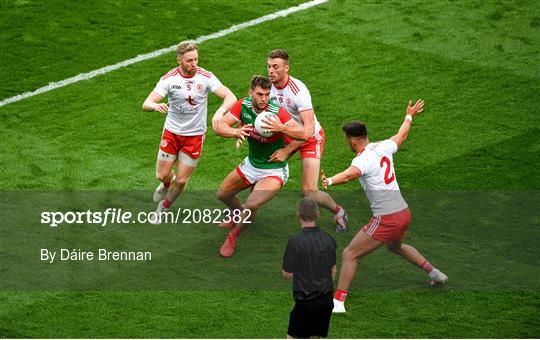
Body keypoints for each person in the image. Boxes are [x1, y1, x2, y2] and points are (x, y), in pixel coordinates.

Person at [321, 99, 448, 313]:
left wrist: (331, 180)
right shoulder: (384, 146)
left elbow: (351, 175)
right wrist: (409, 115)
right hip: (403, 212)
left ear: (353, 141)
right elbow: (402, 135)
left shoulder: (363, 159)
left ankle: (338, 303)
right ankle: (435, 273)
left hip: (387, 217)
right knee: (395, 247)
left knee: (350, 254)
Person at [142, 41, 236, 224]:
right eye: (189, 61)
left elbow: (230, 96)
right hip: (172, 133)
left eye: (196, 59)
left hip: (194, 136)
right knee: (161, 175)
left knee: (183, 180)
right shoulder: (169, 79)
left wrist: (220, 111)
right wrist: (155, 106)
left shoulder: (205, 77)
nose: (194, 64)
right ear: (179, 61)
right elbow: (146, 104)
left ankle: (164, 207)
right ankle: (167, 184)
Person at [214, 75, 306, 257]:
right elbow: (219, 126)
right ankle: (241, 216)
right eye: (260, 94)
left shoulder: (276, 113)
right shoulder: (243, 106)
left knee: (251, 205)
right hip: (251, 165)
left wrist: (285, 147)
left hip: (273, 171)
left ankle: (233, 236)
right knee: (223, 194)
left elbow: (303, 134)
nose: (264, 99)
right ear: (250, 93)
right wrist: (236, 131)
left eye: (267, 94)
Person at [266, 49, 349, 233]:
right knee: (260, 166)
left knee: (308, 192)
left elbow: (308, 131)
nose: (271, 71)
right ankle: (242, 210)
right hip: (286, 134)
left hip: (310, 138)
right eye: (269, 66)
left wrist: (287, 150)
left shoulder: (298, 90)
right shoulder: (267, 88)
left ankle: (339, 212)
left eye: (276, 67)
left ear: (286, 68)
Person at [283, 197, 337, 339]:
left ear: (298, 215)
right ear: (317, 214)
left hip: (305, 302)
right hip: (326, 301)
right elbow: (333, 271)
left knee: (292, 337)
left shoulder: (295, 241)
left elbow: (287, 274)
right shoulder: (329, 239)